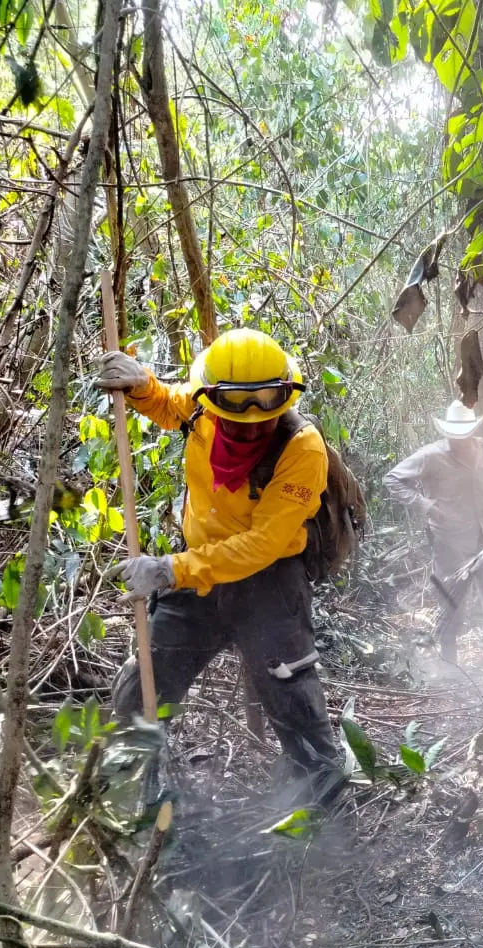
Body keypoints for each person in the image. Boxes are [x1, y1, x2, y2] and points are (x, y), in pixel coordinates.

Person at [96, 329, 345, 803]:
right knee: (143, 690)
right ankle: (130, 803)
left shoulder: (302, 448)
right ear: (212, 401)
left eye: (265, 417)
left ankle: (325, 825)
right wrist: (142, 386)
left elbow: (263, 544)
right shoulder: (199, 404)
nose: (252, 428)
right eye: (237, 418)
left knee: (294, 704)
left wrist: (171, 570)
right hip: (196, 574)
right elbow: (172, 406)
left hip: (268, 585)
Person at [383, 401, 483, 665]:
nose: (460, 441)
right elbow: (392, 479)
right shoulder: (430, 456)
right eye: (455, 437)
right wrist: (426, 505)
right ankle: (449, 666)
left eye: (464, 436)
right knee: (451, 605)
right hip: (449, 543)